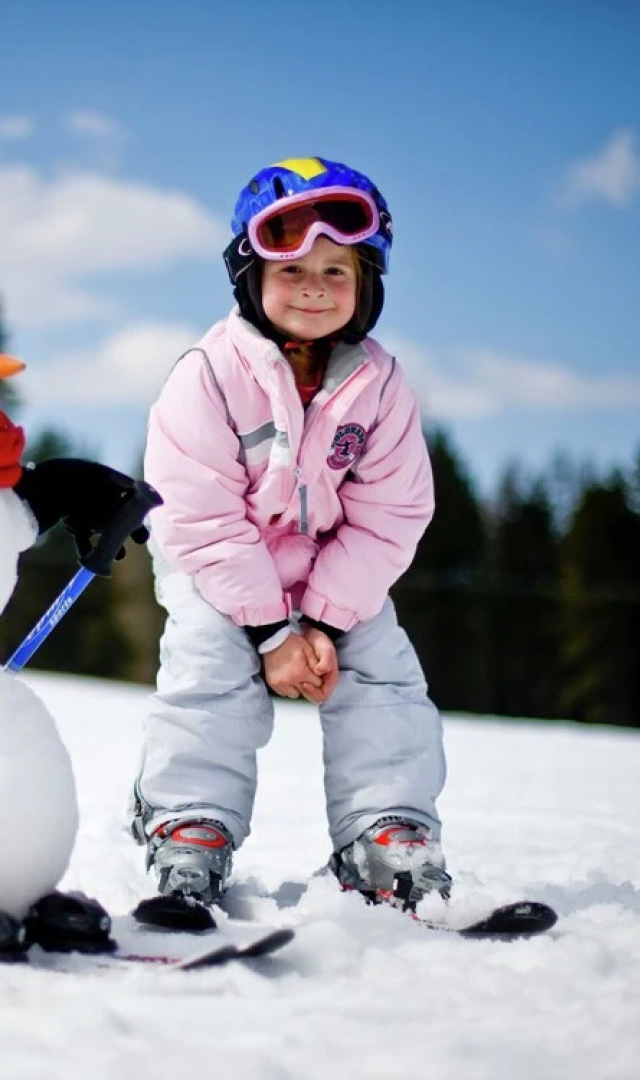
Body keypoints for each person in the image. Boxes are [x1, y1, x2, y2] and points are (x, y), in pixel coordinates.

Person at [129, 157, 451, 913]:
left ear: (368, 283)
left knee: (383, 673)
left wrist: (328, 621)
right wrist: (272, 633)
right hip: (221, 571)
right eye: (293, 270)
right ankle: (190, 825)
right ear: (250, 275)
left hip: (332, 572)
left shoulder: (380, 386)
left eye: (337, 271)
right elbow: (200, 517)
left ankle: (386, 831)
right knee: (209, 666)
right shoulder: (208, 375)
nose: (315, 287)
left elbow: (391, 514)